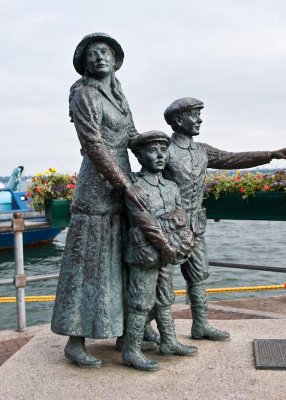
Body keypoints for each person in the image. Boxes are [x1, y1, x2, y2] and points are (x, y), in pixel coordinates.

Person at [162, 97, 286, 341]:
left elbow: (232, 159)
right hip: (168, 227)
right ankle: (153, 332)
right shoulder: (165, 150)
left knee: (199, 276)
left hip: (195, 227)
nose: (200, 119)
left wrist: (270, 154)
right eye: (194, 114)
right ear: (178, 119)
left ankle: (201, 325)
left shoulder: (201, 150)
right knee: (159, 281)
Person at [51, 33, 147, 369]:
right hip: (97, 187)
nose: (99, 57)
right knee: (87, 263)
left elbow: (132, 137)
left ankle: (123, 331)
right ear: (84, 62)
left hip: (123, 185)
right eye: (92, 54)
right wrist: (125, 183)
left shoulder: (118, 96)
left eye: (105, 52)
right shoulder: (84, 93)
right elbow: (93, 143)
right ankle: (74, 341)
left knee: (121, 260)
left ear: (115, 59)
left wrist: (168, 147)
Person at [123, 131, 197, 372]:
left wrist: (171, 228)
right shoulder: (135, 186)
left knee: (165, 299)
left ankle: (169, 341)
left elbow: (181, 214)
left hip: (168, 253)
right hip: (146, 254)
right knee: (141, 303)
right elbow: (144, 220)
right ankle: (131, 350)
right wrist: (165, 244)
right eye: (153, 151)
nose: (160, 155)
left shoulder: (171, 186)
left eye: (163, 150)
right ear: (140, 155)